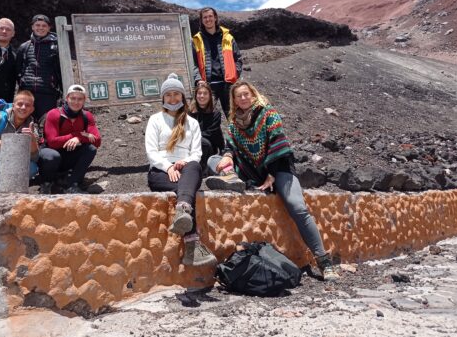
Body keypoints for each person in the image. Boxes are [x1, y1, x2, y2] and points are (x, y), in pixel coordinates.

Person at [205, 80, 340, 281]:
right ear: (234, 101)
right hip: (250, 172)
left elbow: (279, 144)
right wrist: (227, 156)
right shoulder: (234, 124)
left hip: (279, 169)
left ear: (252, 94)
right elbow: (230, 147)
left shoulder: (268, 114)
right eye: (238, 96)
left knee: (297, 207)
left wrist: (272, 174)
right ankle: (231, 178)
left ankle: (323, 260)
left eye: (245, 94)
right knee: (212, 160)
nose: (243, 98)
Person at [145, 73, 217, 267]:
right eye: (168, 95)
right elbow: (151, 152)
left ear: (183, 97)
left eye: (177, 94)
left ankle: (182, 209)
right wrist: (168, 166)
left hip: (186, 169)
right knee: (186, 189)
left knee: (193, 167)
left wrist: (182, 163)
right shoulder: (155, 120)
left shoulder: (192, 123)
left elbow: (196, 153)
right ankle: (192, 243)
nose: (173, 98)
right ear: (163, 98)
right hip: (160, 171)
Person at [38, 84, 101, 194]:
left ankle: (72, 184)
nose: (76, 102)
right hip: (51, 154)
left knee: (91, 149)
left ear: (84, 100)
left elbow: (97, 140)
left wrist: (79, 138)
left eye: (80, 99)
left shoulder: (87, 116)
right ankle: (46, 182)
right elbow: (52, 142)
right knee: (52, 156)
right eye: (73, 98)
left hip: (69, 154)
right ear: (67, 98)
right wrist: (77, 135)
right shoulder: (54, 114)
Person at [191, 7, 242, 117]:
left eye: (210, 16)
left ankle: (236, 135)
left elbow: (238, 59)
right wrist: (198, 79)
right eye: (205, 17)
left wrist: (235, 74)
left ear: (215, 18)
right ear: (201, 20)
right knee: (205, 118)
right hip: (207, 86)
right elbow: (193, 64)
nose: (208, 19)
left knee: (235, 118)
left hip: (228, 85)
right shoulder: (196, 40)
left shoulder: (228, 37)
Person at [16, 14, 62, 119]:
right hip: (27, 93)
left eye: (44, 25)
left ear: (49, 28)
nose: (40, 28)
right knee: (25, 125)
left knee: (46, 125)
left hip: (48, 93)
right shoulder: (24, 47)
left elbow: (61, 70)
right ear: (32, 27)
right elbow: (17, 70)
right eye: (37, 25)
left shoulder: (57, 47)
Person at [188, 81, 226, 172]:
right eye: (199, 93)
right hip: (193, 143)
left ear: (209, 96)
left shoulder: (215, 113)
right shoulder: (190, 112)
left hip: (209, 145)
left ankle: (204, 169)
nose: (202, 96)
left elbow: (210, 133)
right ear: (196, 95)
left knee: (203, 142)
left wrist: (194, 138)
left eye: (205, 93)